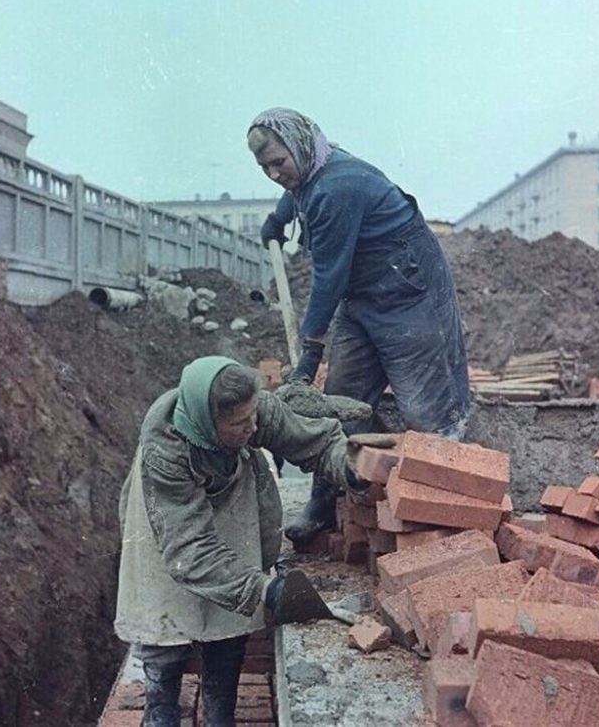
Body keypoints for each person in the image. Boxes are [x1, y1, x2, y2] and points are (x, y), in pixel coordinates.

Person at [247, 108, 470, 544]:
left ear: (300, 147)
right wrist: (280, 217)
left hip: (409, 292)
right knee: (341, 401)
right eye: (264, 167)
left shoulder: (337, 187)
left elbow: (328, 277)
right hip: (362, 295)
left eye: (279, 162)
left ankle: (451, 513)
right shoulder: (311, 169)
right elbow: (298, 188)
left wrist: (309, 353)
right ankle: (324, 503)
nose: (274, 173)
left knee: (426, 410)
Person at [114, 355, 366, 727]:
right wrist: (265, 589)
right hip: (170, 526)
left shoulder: (252, 407)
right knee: (163, 621)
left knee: (230, 622)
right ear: (209, 423)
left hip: (231, 508)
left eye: (254, 417)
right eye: (238, 424)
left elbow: (315, 441)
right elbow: (189, 550)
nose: (253, 426)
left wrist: (351, 467)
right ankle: (161, 709)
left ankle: (221, 715)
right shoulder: (164, 454)